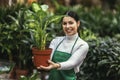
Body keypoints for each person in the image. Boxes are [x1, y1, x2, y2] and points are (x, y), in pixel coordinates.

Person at [37, 10, 89, 80]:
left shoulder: (82, 45)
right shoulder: (56, 40)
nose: (67, 26)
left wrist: (56, 65)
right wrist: (39, 59)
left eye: (71, 23)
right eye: (64, 23)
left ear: (78, 23)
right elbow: (48, 59)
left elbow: (72, 63)